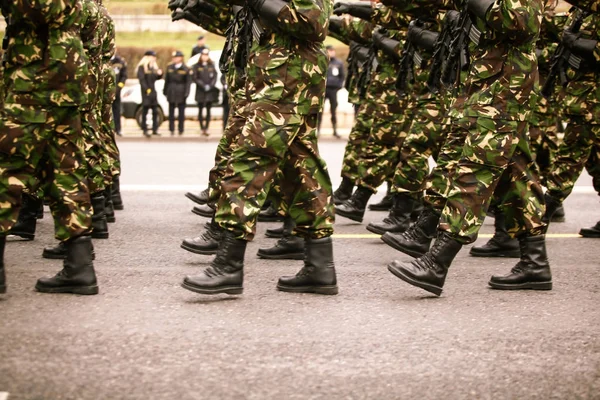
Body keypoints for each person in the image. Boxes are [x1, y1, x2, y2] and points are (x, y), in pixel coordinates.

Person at [181, 0, 338, 297]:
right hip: (274, 75)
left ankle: (228, 264)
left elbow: (313, 23)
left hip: (288, 77)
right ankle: (320, 267)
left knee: (250, 159)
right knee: (300, 167)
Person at [0, 0, 98, 295]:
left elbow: (43, 7)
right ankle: (80, 267)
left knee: (8, 166)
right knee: (64, 169)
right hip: (64, 74)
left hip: (36, 75)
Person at [318, 45, 345, 138]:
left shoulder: (338, 63)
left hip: (333, 90)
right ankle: (317, 131)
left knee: (333, 111)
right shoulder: (322, 62)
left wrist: (338, 86)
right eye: (329, 50)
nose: (331, 52)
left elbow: (342, 76)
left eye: (333, 50)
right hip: (323, 90)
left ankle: (335, 130)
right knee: (319, 111)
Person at [164, 50, 192, 136]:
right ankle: (171, 128)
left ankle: (181, 129)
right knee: (171, 112)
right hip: (171, 90)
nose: (175, 59)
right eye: (174, 57)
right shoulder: (170, 67)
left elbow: (188, 82)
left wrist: (186, 93)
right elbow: (167, 80)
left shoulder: (186, 68)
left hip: (181, 91)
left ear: (181, 58)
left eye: (176, 57)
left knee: (181, 112)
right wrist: (165, 91)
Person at [136, 50, 163, 137]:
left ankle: (155, 129)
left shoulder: (153, 68)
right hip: (146, 92)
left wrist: (160, 74)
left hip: (153, 91)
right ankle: (145, 129)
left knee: (155, 110)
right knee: (145, 110)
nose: (154, 58)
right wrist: (146, 89)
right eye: (152, 56)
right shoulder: (142, 67)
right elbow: (142, 79)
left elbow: (156, 78)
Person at [193, 48, 219, 136]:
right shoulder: (197, 66)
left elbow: (215, 76)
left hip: (209, 91)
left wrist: (210, 85)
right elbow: (195, 77)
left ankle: (207, 128)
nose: (205, 57)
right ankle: (201, 128)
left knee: (208, 110)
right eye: (203, 55)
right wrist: (203, 85)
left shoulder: (211, 65)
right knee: (200, 110)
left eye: (206, 55)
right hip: (200, 91)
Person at [110, 49, 128, 136]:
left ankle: (118, 129)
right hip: (107, 91)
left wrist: (119, 87)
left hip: (117, 90)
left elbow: (124, 76)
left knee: (116, 110)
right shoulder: (105, 59)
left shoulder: (120, 61)